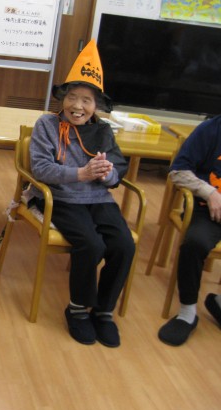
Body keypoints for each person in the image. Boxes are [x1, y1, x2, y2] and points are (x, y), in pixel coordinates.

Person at [26, 40, 135, 347]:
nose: (78, 106)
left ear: (95, 106)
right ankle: (77, 309)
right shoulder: (47, 124)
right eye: (72, 97)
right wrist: (81, 173)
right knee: (91, 244)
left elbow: (116, 172)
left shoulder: (103, 130)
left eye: (86, 100)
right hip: (62, 198)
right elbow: (41, 169)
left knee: (124, 245)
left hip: (98, 199)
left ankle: (103, 310)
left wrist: (106, 173)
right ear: (63, 99)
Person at [158, 114, 221, 346]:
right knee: (195, 243)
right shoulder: (210, 129)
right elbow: (178, 171)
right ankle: (187, 313)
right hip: (207, 209)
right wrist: (210, 193)